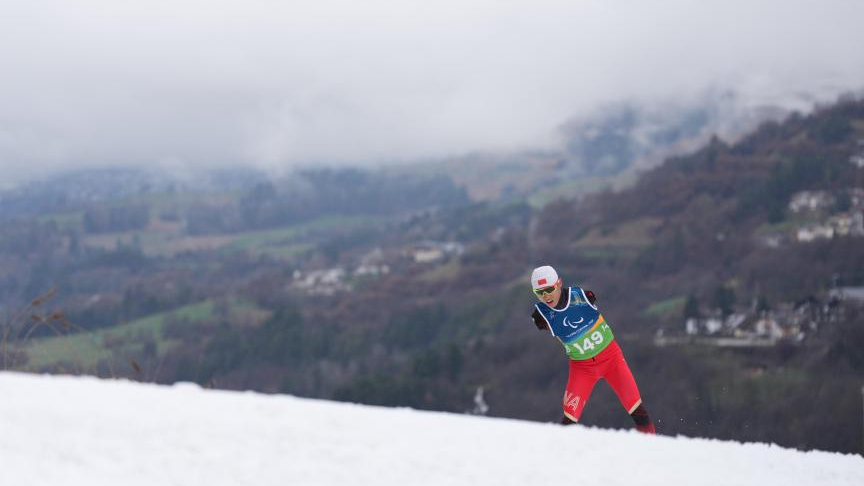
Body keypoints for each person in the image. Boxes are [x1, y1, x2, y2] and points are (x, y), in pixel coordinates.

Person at [530, 265, 656, 434]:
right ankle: (558, 449)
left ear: (559, 283)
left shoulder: (582, 296)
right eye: (540, 292)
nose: (546, 296)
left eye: (549, 289)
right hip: (582, 368)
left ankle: (651, 445)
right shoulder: (541, 315)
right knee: (569, 419)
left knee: (637, 410)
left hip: (612, 360)